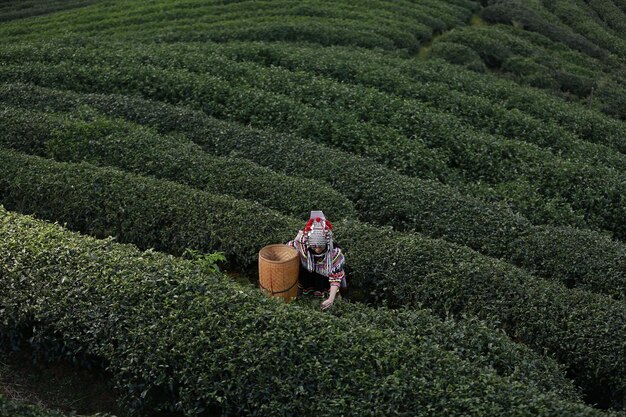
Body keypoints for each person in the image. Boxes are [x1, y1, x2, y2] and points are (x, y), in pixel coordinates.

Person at [286, 211, 348, 310]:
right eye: (314, 246)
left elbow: (335, 277)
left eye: (321, 246)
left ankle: (329, 301)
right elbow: (287, 251)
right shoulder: (302, 245)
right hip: (307, 273)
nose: (318, 250)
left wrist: (331, 299)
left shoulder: (333, 253)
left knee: (330, 293)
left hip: (325, 277)